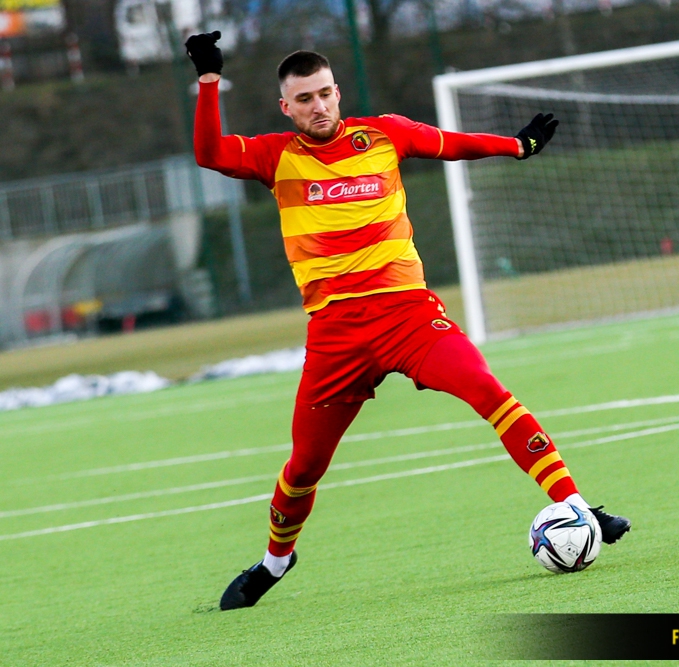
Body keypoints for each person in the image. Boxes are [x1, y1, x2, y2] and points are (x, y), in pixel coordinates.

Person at [184, 31, 630, 611]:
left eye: (325, 93)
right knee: (304, 466)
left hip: (408, 315)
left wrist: (517, 146)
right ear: (285, 107)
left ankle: (575, 506)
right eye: (304, 99)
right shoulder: (275, 156)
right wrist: (209, 81)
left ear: (338, 93)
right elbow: (210, 153)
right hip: (336, 335)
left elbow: (451, 143)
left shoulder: (383, 134)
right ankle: (275, 561)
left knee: (489, 391)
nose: (318, 106)